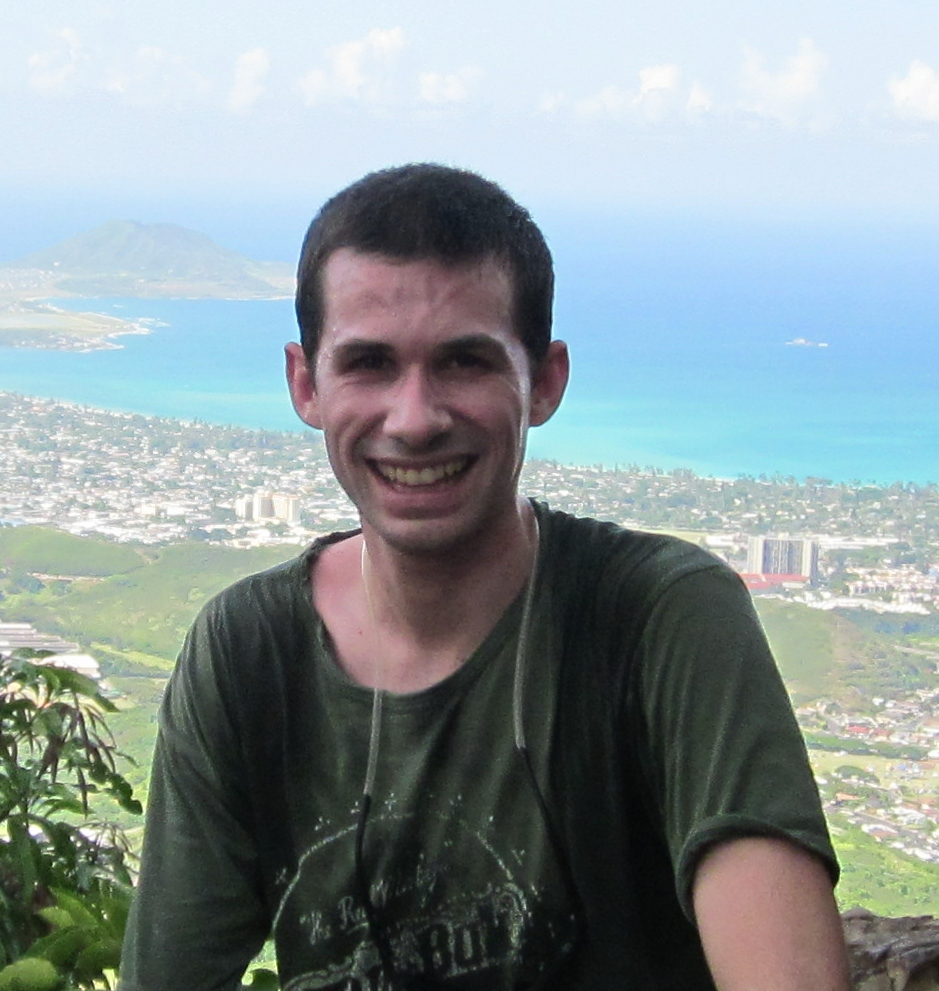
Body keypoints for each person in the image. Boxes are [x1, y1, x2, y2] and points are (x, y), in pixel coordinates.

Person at [120, 164, 852, 991]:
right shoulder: (247, 653)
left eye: (464, 362)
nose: (414, 419)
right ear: (304, 384)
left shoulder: (658, 619)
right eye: (368, 363)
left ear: (544, 382)